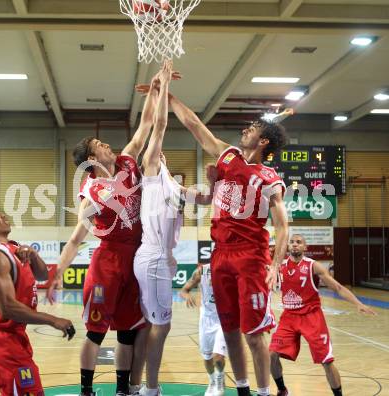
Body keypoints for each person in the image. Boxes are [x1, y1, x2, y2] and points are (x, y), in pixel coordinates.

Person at [136, 82, 290, 395]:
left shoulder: (269, 177)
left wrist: (275, 265)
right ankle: (243, 388)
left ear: (263, 141)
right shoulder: (228, 156)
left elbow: (283, 226)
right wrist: (165, 94)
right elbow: (194, 124)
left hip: (251, 255)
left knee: (255, 333)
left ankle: (263, 391)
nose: (245, 129)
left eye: (253, 128)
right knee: (230, 329)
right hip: (220, 255)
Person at [47, 68, 180, 396]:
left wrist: (155, 89)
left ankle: (124, 389)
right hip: (108, 262)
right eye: (101, 144)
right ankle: (86, 390)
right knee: (95, 332)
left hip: (136, 259)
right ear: (93, 159)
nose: (109, 145)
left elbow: (147, 124)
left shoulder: (126, 163)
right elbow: (78, 237)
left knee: (126, 333)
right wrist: (56, 273)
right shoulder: (91, 192)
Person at [134, 60, 217, 396]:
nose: (160, 150)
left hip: (163, 259)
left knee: (152, 327)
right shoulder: (151, 170)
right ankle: (150, 389)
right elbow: (159, 126)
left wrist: (213, 186)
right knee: (161, 326)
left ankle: (138, 385)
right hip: (153, 257)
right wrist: (162, 87)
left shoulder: (171, 182)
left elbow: (203, 198)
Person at [0, 207, 74, 396]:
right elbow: (7, 308)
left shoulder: (14, 248)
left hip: (16, 336)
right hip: (2, 340)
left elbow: (42, 275)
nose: (2, 215)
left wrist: (33, 254)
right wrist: (53, 320)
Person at [269, 234, 376, 396]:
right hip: (289, 317)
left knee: (326, 361)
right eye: (292, 242)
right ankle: (282, 390)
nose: (294, 245)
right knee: (272, 354)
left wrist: (358, 303)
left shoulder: (314, 266)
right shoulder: (280, 266)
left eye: (299, 242)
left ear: (305, 247)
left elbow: (338, 288)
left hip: (311, 317)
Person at [179, 263, 228, 396]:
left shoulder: (229, 270)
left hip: (224, 319)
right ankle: (212, 381)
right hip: (206, 319)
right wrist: (187, 295)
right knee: (207, 358)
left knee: (218, 356)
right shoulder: (201, 272)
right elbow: (183, 290)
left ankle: (219, 382)